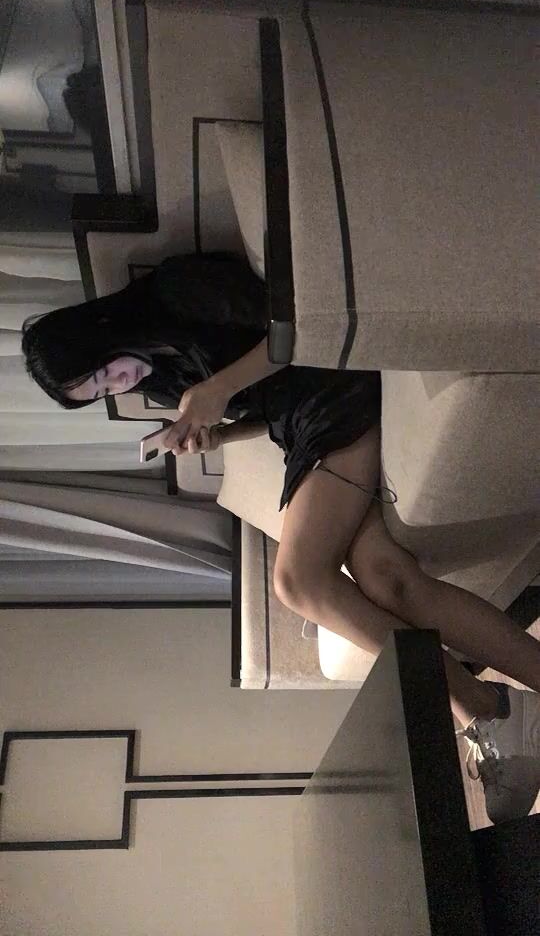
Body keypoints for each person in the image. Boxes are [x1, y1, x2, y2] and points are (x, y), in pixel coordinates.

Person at [23, 250, 540, 823]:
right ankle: (511, 711)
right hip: (301, 431)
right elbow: (261, 409)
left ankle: (488, 711)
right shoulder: (161, 376)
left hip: (334, 389)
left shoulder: (177, 289)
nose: (117, 384)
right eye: (102, 393)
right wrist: (217, 436)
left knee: (297, 583)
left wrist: (218, 387)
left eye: (102, 373)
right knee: (388, 580)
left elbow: (299, 328)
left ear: (97, 333)